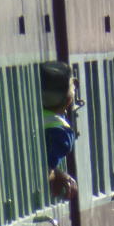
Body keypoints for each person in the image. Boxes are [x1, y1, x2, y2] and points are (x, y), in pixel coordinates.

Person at [41, 61, 78, 200]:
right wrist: (57, 176)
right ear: (68, 100)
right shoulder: (61, 134)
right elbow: (41, 172)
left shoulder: (21, 113)